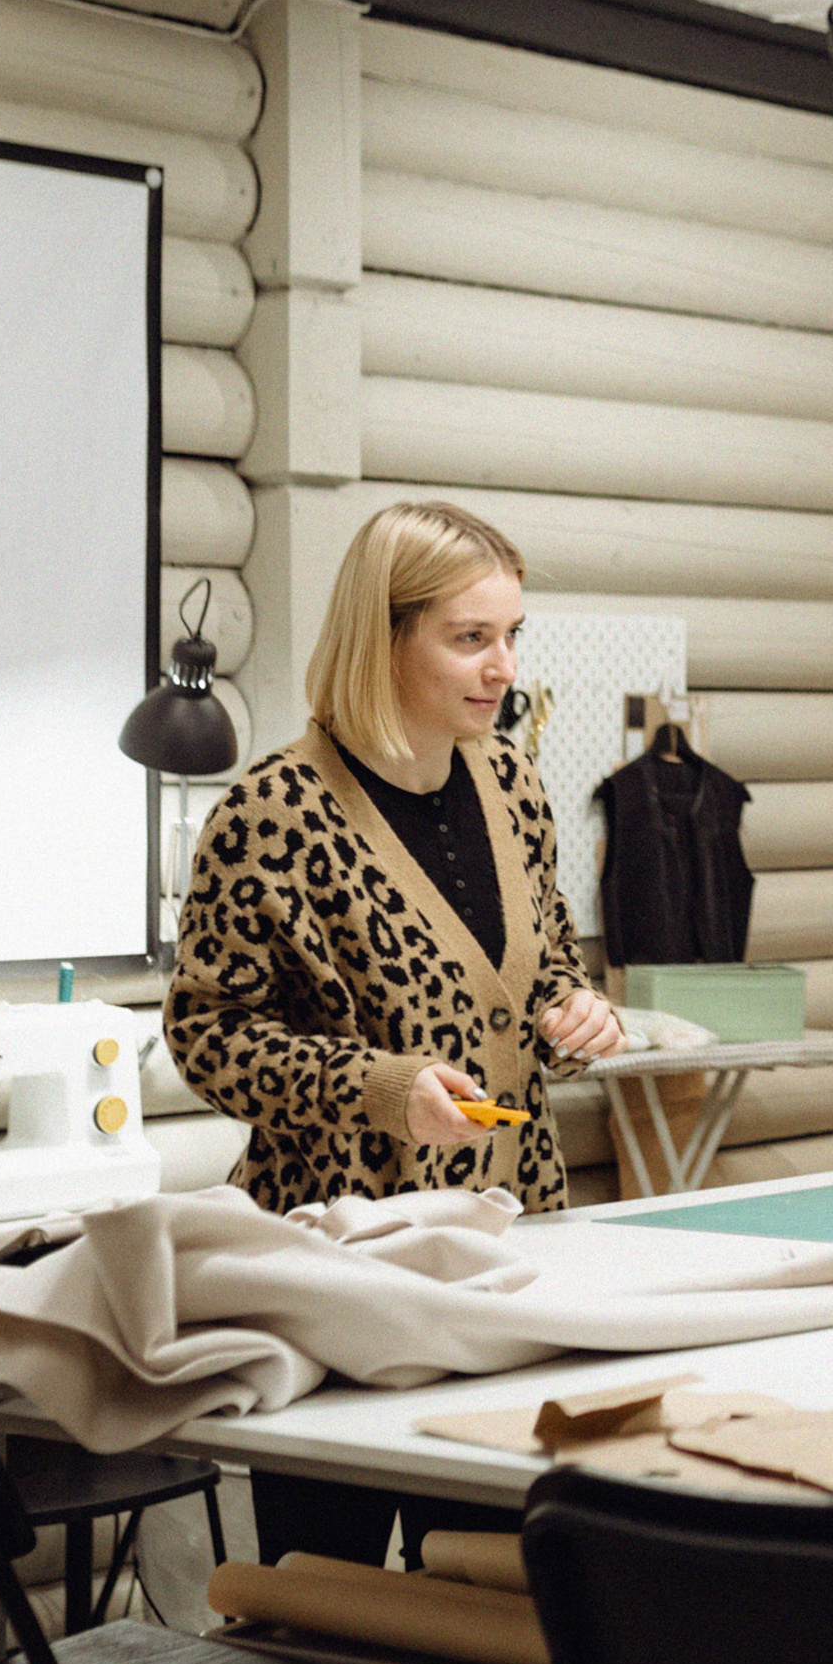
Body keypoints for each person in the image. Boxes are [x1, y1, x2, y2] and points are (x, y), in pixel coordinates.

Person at [167, 499, 627, 1564]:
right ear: (384, 638)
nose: (502, 665)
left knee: (482, 1582)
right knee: (322, 1595)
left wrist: (573, 1011)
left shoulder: (511, 781)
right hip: (335, 1265)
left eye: (513, 635)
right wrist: (380, 1087)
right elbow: (208, 1035)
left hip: (506, 1249)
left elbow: (543, 959)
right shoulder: (271, 812)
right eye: (470, 637)